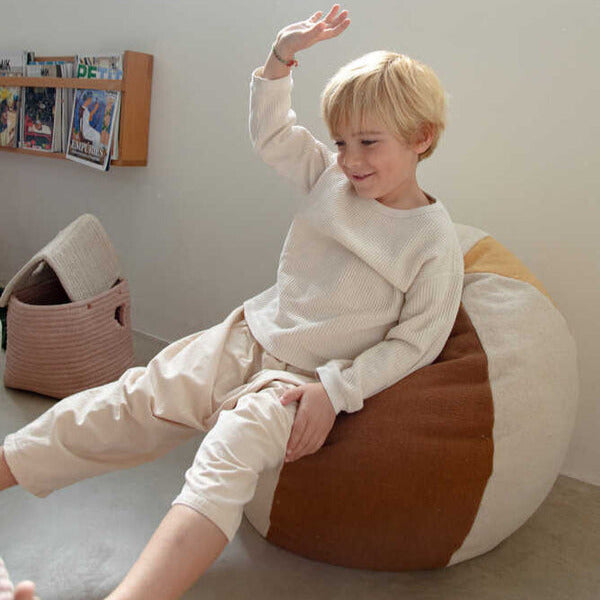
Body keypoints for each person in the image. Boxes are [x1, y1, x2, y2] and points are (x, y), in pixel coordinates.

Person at [0, 5, 464, 599]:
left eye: (368, 143)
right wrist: (280, 56)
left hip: (300, 385)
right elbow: (273, 134)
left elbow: (416, 343)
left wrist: (337, 391)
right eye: (341, 141)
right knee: (132, 400)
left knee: (223, 460)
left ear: (422, 137)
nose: (350, 159)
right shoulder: (330, 178)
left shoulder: (432, 242)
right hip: (247, 336)